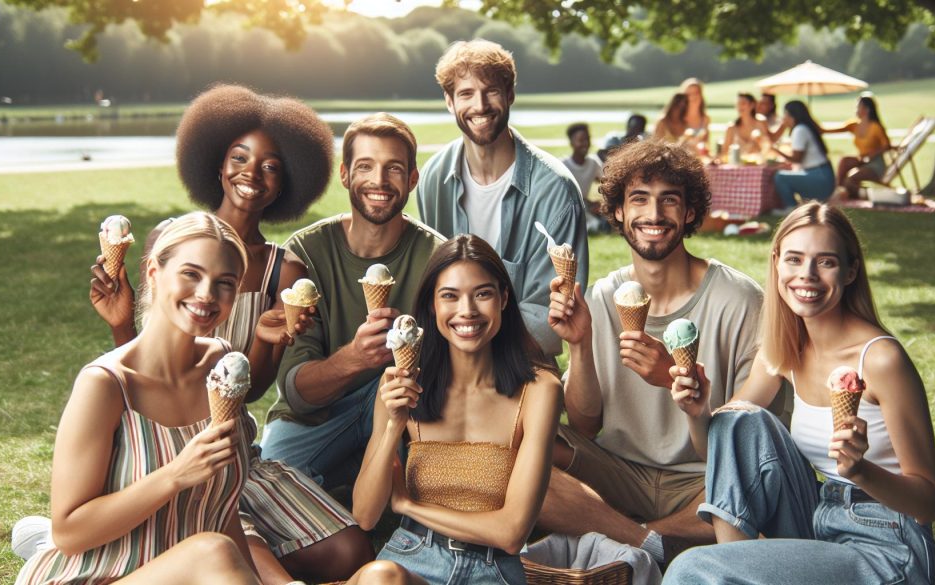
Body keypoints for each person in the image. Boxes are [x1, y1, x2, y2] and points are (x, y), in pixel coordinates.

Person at [79, 85, 373, 584]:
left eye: (270, 166)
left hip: (234, 445)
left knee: (349, 552)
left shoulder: (285, 269)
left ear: (284, 184)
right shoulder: (172, 242)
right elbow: (142, 369)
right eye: (239, 157)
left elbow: (250, 391)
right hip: (167, 446)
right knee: (231, 544)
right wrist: (120, 324)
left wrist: (264, 340)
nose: (251, 174)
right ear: (216, 164)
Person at [665, 202, 935, 584]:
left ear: (850, 271)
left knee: (690, 569)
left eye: (825, 262)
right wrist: (699, 414)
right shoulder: (783, 350)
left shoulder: (881, 360)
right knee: (734, 420)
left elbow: (928, 503)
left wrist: (860, 470)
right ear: (777, 263)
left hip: (887, 542)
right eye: (794, 259)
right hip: (817, 518)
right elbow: (720, 450)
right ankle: (735, 567)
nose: (806, 275)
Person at [538, 140, 770, 565]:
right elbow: (585, 426)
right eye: (640, 199)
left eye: (670, 200)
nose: (654, 214)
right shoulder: (603, 296)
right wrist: (579, 343)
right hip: (620, 470)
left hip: (704, 481)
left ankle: (618, 534)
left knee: (755, 484)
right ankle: (655, 542)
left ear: (690, 212)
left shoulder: (740, 301)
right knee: (525, 453)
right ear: (618, 212)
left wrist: (672, 381)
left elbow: (750, 446)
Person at [17, 213, 260, 584]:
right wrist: (175, 475)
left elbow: (219, 511)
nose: (206, 294)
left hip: (183, 575)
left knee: (215, 550)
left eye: (224, 282)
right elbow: (68, 532)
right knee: (212, 551)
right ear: (153, 272)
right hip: (95, 577)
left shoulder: (222, 367)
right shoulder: (105, 385)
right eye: (191, 274)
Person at [352, 234, 563, 584]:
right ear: (432, 304)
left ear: (503, 299)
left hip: (493, 571)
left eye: (482, 294)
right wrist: (393, 426)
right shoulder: (400, 385)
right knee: (381, 576)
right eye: (450, 296)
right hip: (412, 558)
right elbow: (365, 515)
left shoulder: (540, 391)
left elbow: (512, 532)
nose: (467, 311)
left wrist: (408, 506)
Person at [261, 113, 444, 492]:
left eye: (394, 168)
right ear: (345, 175)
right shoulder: (305, 253)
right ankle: (352, 474)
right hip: (318, 417)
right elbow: (297, 393)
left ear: (412, 178)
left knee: (445, 485)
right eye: (365, 166)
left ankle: (368, 479)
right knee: (266, 482)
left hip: (409, 410)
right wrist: (355, 359)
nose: (379, 180)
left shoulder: (437, 257)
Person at [417, 39, 588, 358]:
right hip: (448, 360)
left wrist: (475, 360)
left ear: (510, 94)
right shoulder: (433, 178)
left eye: (491, 91)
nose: (480, 105)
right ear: (449, 102)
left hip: (524, 364)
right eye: (466, 94)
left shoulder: (556, 190)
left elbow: (549, 315)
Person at [771, 100, 835, 215]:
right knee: (785, 174)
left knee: (780, 177)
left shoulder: (800, 130)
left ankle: (791, 208)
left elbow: (797, 159)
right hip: (824, 176)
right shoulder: (805, 127)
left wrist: (775, 151)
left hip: (820, 179)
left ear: (792, 116)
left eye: (785, 114)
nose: (783, 118)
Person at [823, 95, 892, 200]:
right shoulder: (854, 125)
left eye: (858, 107)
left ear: (867, 109)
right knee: (844, 161)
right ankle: (838, 190)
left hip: (875, 164)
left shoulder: (876, 127)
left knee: (850, 180)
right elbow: (827, 130)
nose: (855, 110)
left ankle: (854, 195)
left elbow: (887, 146)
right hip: (862, 160)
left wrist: (871, 155)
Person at [560, 122, 608, 235]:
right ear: (571, 143)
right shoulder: (563, 165)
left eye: (588, 139)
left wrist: (602, 203)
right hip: (566, 207)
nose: (585, 143)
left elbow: (608, 183)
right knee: (593, 226)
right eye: (581, 140)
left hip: (584, 204)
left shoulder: (593, 163)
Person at [721, 93, 769, 159]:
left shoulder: (761, 122)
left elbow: (767, 146)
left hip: (758, 163)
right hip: (737, 164)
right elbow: (724, 153)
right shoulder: (731, 127)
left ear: (752, 105)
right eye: (738, 104)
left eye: (743, 103)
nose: (740, 107)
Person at [680, 78, 711, 154]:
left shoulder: (705, 119)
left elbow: (706, 145)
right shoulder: (677, 117)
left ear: (701, 95)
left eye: (696, 93)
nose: (692, 97)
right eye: (689, 94)